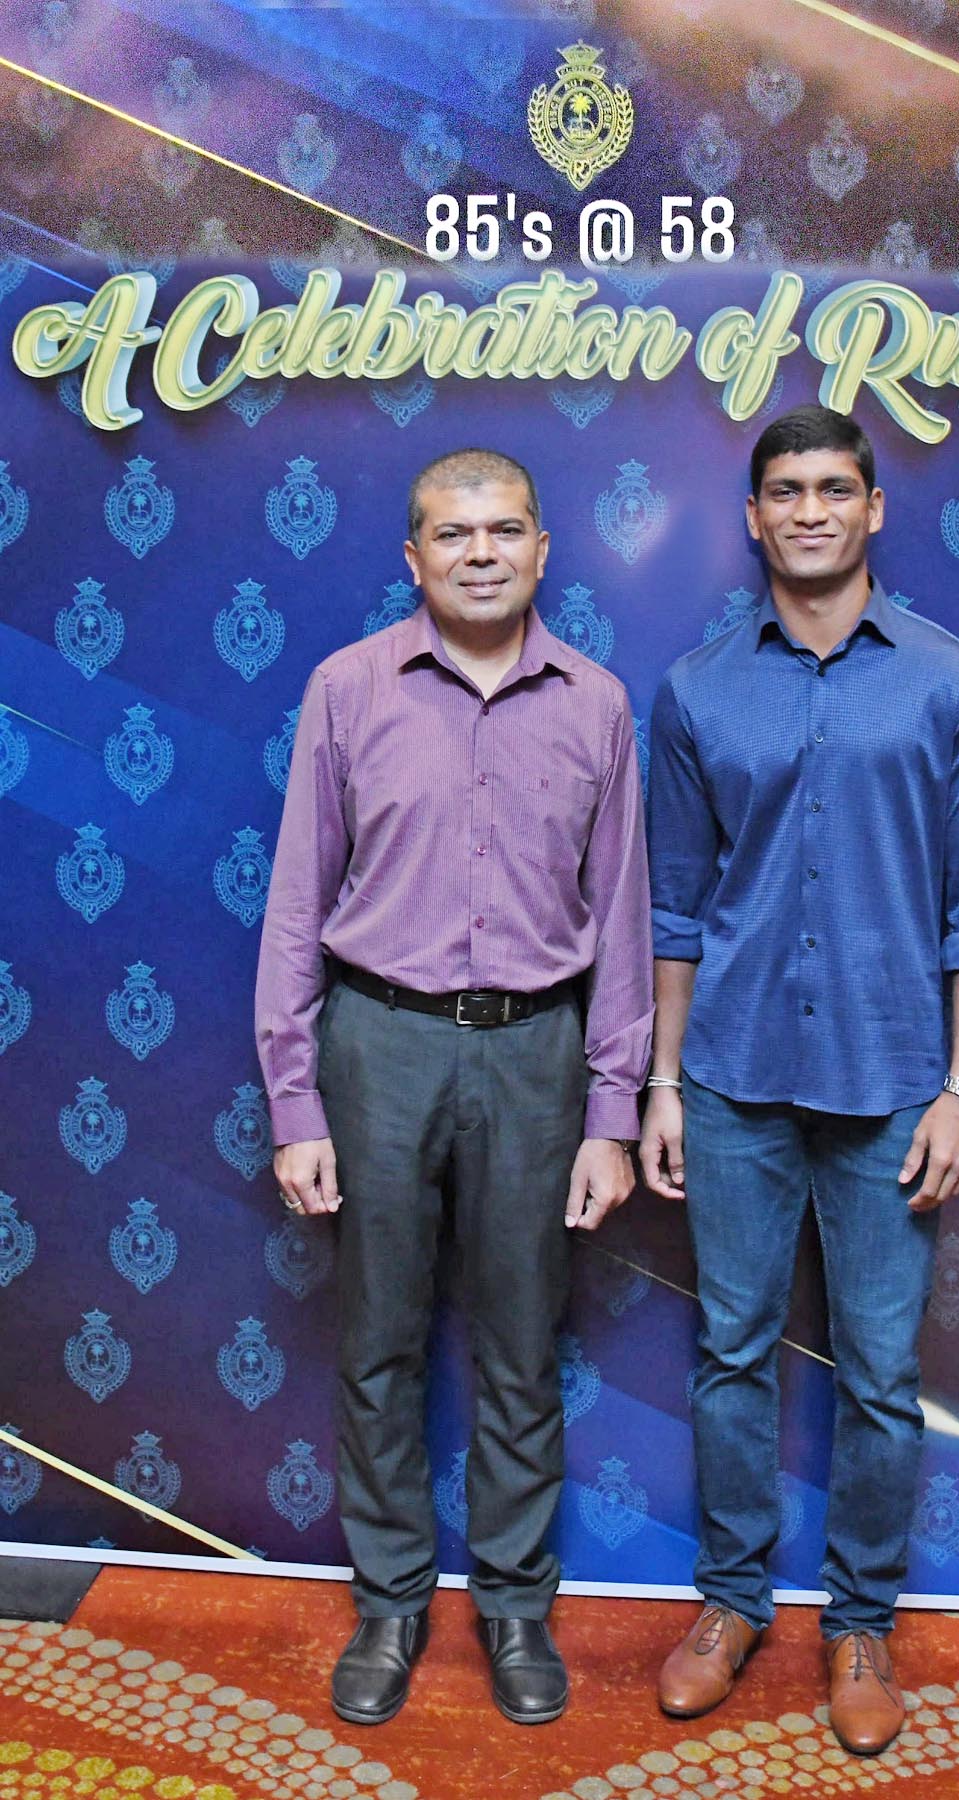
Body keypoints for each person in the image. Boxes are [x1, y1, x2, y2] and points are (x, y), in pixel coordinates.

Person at [641, 405, 959, 1756]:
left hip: (893, 1087)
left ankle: (860, 1624)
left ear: (873, 510)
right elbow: (673, 906)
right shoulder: (696, 690)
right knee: (731, 1353)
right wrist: (662, 1083)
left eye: (835, 489)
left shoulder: (954, 685)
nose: (811, 511)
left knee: (878, 1373)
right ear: (753, 518)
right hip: (733, 1081)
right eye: (786, 491)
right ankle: (731, 1604)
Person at [255, 447, 652, 1728]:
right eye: (454, 533)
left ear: (544, 549)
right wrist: (296, 1104)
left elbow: (624, 921)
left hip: (537, 1054)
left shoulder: (598, 705)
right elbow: (296, 907)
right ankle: (389, 1603)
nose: (482, 553)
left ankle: (517, 1608)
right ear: (412, 557)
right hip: (380, 1048)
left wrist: (613, 1112)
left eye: (506, 530)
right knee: (378, 1342)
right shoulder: (346, 688)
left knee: (522, 1348)